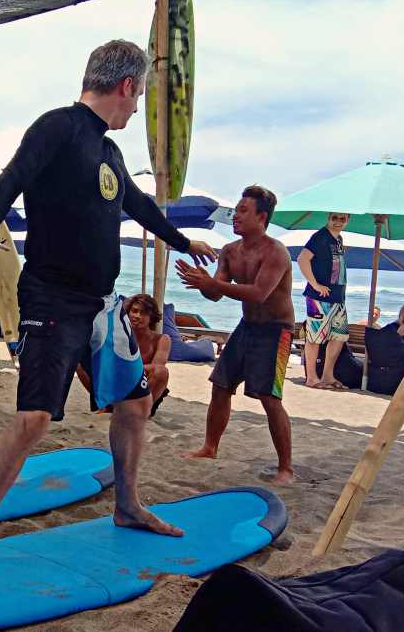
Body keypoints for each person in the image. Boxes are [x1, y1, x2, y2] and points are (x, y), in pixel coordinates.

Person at [0, 40, 219, 581]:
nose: (137, 104)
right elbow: (8, 183)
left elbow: (140, 208)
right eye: (138, 94)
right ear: (126, 87)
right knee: (33, 420)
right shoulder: (58, 127)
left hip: (103, 305)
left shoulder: (112, 154)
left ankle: (127, 504)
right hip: (52, 300)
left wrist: (183, 241)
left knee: (135, 404)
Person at [177, 185, 296, 485]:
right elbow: (216, 295)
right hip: (247, 326)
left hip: (277, 330)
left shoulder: (276, 252)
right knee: (221, 385)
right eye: (236, 210)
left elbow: (258, 294)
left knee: (270, 397)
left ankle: (286, 468)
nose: (236, 216)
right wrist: (202, 283)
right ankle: (210, 447)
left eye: (244, 211)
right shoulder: (230, 251)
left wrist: (212, 284)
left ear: (262, 217)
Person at [76, 293, 171, 415]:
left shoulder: (162, 339)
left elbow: (157, 366)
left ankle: (141, 412)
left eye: (143, 313)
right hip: (117, 385)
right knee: (81, 364)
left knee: (161, 372)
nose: (137, 316)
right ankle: (108, 405)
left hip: (142, 389)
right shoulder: (119, 333)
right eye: (134, 311)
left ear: (151, 317)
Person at [297, 212, 350, 389]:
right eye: (334, 218)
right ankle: (312, 377)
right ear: (328, 218)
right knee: (314, 337)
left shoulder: (339, 239)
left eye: (342, 219)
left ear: (347, 220)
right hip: (318, 297)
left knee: (339, 336)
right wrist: (315, 284)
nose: (337, 222)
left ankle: (328, 375)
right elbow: (302, 259)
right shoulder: (320, 237)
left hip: (338, 298)